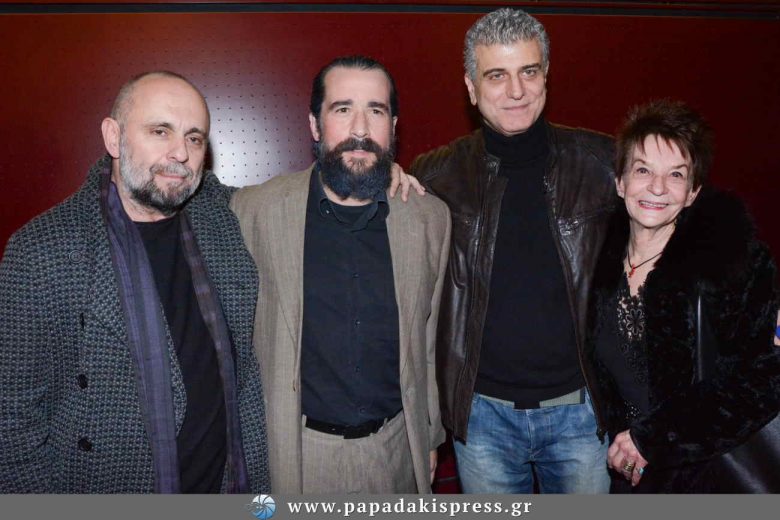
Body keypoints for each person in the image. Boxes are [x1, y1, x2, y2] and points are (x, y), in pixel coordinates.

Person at [0, 71, 270, 493]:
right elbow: (12, 422)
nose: (180, 152)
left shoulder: (220, 219)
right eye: (160, 131)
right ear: (114, 137)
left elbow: (285, 199)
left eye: (194, 138)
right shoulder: (43, 251)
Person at [410, 8, 615, 493]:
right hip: (482, 419)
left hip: (583, 414)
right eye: (496, 75)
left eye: (529, 71)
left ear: (546, 76)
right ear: (471, 86)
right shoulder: (433, 176)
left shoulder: (604, 163)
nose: (516, 90)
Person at [231, 55, 450, 493]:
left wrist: (430, 435)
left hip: (396, 452)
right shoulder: (253, 211)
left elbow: (426, 343)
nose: (361, 129)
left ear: (393, 127)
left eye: (376, 111)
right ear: (315, 125)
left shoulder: (429, 219)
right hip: (298, 456)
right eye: (343, 109)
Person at [587, 99, 780, 492]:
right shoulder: (593, 260)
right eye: (643, 170)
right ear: (620, 182)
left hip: (704, 473)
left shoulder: (731, 263)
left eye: (676, 174)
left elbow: (765, 376)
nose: (657, 188)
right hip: (624, 470)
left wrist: (653, 438)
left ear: (692, 192)